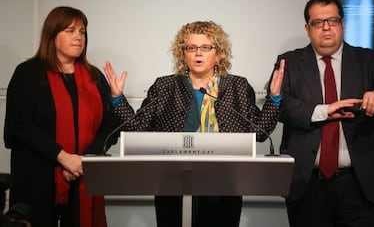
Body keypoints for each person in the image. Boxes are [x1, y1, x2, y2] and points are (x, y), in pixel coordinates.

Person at [103, 20, 285, 227]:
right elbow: (137, 128)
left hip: (224, 184)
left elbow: (258, 133)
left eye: (206, 47)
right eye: (191, 48)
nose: (198, 53)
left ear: (218, 53)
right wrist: (118, 99)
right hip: (171, 184)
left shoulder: (237, 86)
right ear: (183, 53)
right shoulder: (165, 86)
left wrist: (274, 98)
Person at [269, 0, 374, 227]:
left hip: (359, 184)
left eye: (332, 21)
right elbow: (278, 106)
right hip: (306, 184)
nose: (326, 28)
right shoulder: (289, 62)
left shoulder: (367, 59)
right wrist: (323, 111)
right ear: (307, 28)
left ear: (342, 24)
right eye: (317, 22)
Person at [3, 6, 118, 227]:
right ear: (52, 35)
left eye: (82, 32)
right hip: (37, 178)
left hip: (83, 177)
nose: (78, 37)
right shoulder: (28, 74)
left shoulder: (95, 77)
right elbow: (20, 127)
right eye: (70, 30)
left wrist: (84, 160)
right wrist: (64, 157)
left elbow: (109, 126)